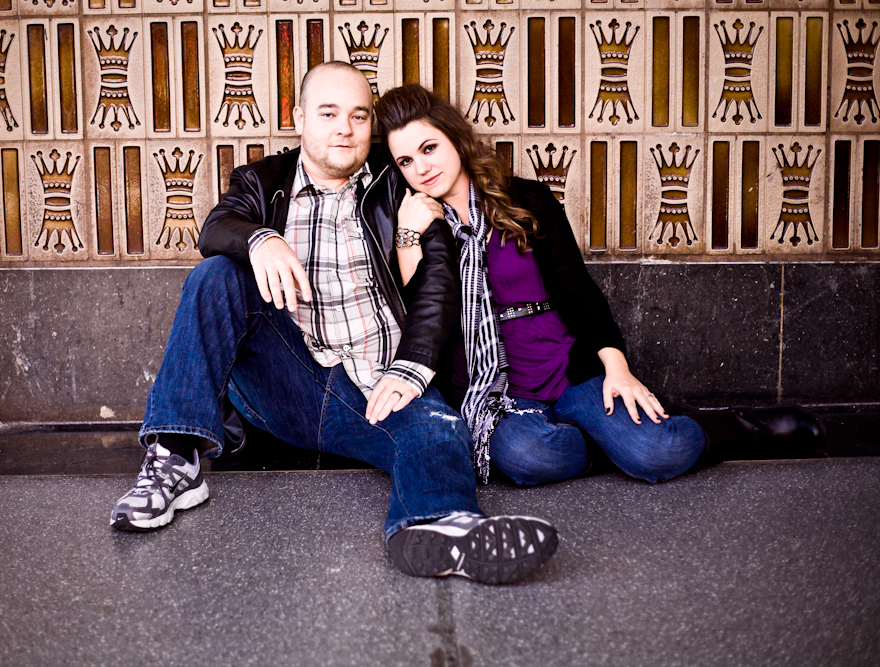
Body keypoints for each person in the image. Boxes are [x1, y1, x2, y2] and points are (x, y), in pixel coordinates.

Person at [109, 63, 558, 585]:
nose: (344, 128)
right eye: (328, 114)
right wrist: (259, 239)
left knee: (438, 429)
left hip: (378, 383)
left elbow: (438, 282)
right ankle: (175, 459)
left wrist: (413, 366)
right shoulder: (263, 181)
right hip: (287, 378)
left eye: (358, 116)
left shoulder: (399, 186)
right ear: (299, 118)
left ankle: (445, 529)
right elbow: (216, 227)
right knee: (217, 275)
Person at [375, 84, 824, 487]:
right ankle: (611, 443)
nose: (422, 168)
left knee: (657, 452)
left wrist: (617, 369)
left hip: (565, 367)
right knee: (526, 457)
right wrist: (408, 235)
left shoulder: (525, 200)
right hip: (497, 392)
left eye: (429, 148)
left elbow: (578, 291)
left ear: (455, 138)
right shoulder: (420, 226)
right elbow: (423, 322)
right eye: (406, 161)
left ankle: (740, 429)